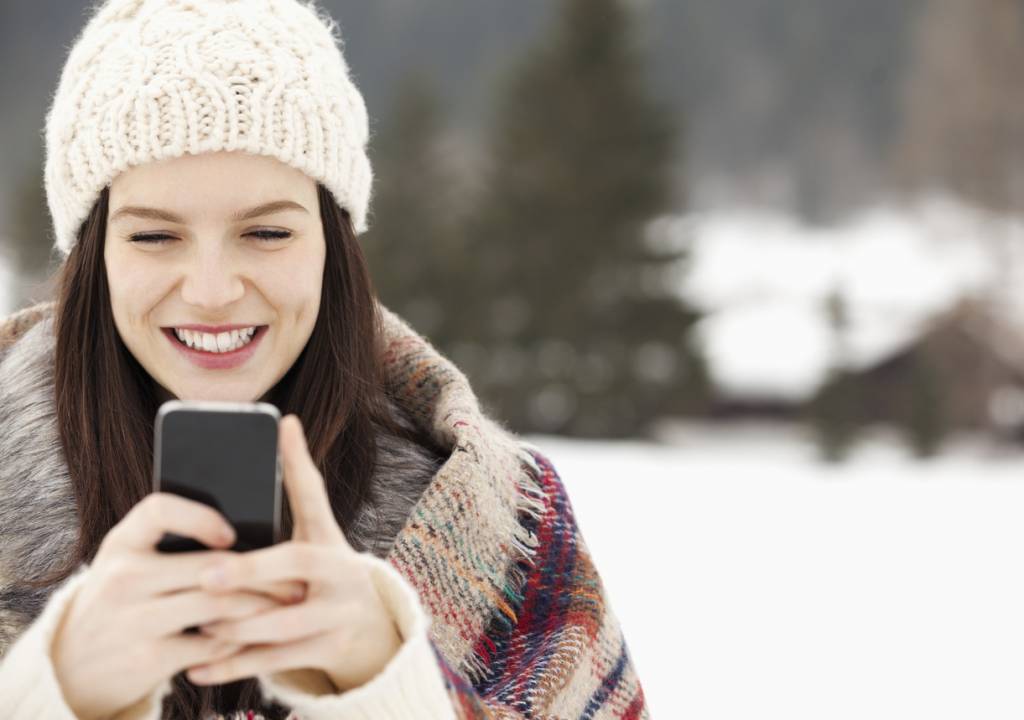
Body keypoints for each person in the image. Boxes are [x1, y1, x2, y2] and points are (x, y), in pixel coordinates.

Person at [0, 0, 650, 718]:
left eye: (268, 232)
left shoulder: (504, 526)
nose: (213, 292)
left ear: (332, 246)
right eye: (154, 237)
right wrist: (53, 692)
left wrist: (386, 677)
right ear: (94, 256)